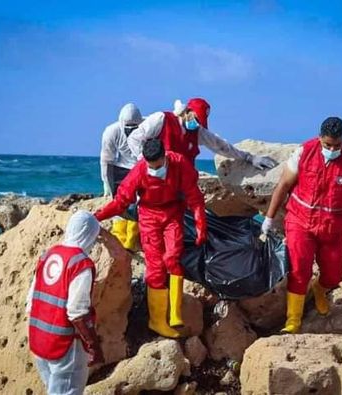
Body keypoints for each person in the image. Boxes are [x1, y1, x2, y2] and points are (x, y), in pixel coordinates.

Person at [261, 116, 342, 334]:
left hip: (333, 227)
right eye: (328, 145)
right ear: (320, 139)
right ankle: (293, 321)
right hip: (300, 221)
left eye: (337, 145)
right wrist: (268, 219)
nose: (332, 149)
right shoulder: (304, 151)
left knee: (335, 274)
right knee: (299, 270)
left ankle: (320, 289)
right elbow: (284, 184)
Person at [94, 139, 207, 338]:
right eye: (150, 166)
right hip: (148, 216)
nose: (154, 169)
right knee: (155, 267)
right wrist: (97, 216)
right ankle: (157, 321)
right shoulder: (139, 171)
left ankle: (175, 313)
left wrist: (200, 224)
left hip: (172, 213)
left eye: (158, 166)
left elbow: (194, 196)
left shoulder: (180, 163)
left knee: (172, 258)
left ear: (165, 157)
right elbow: (121, 201)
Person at [26, 210, 106, 395]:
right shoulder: (81, 264)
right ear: (89, 234)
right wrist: (93, 347)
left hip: (39, 339)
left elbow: (31, 301)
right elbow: (76, 311)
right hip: (64, 345)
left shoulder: (48, 255)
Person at [127, 97, 277, 170]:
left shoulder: (197, 132)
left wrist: (249, 157)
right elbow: (134, 139)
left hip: (180, 185)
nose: (196, 124)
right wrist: (145, 161)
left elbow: (221, 146)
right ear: (187, 111)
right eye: (196, 119)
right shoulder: (161, 119)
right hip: (155, 176)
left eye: (200, 122)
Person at [100, 103, 144, 251]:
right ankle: (120, 238)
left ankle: (132, 240)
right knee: (119, 203)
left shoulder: (148, 127)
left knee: (139, 203)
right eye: (128, 126)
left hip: (141, 165)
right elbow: (106, 160)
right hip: (122, 167)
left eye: (135, 126)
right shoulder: (111, 132)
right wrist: (106, 183)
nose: (131, 130)